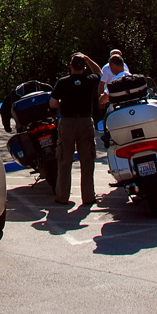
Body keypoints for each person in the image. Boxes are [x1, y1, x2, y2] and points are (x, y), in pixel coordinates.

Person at [49, 52, 102, 207]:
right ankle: (88, 196)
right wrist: (88, 58)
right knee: (87, 160)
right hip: (85, 121)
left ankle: (63, 196)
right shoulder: (89, 80)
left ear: (70, 66)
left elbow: (52, 103)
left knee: (65, 160)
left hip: (67, 122)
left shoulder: (62, 82)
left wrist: (63, 103)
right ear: (84, 68)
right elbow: (99, 72)